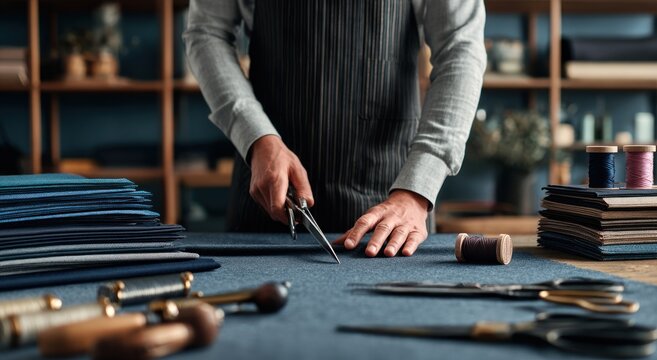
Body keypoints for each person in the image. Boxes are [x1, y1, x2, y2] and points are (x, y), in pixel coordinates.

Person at [184, 0, 486, 257]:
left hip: (393, 208)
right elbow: (206, 32)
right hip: (266, 201)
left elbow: (461, 49)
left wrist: (417, 190)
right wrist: (256, 135)